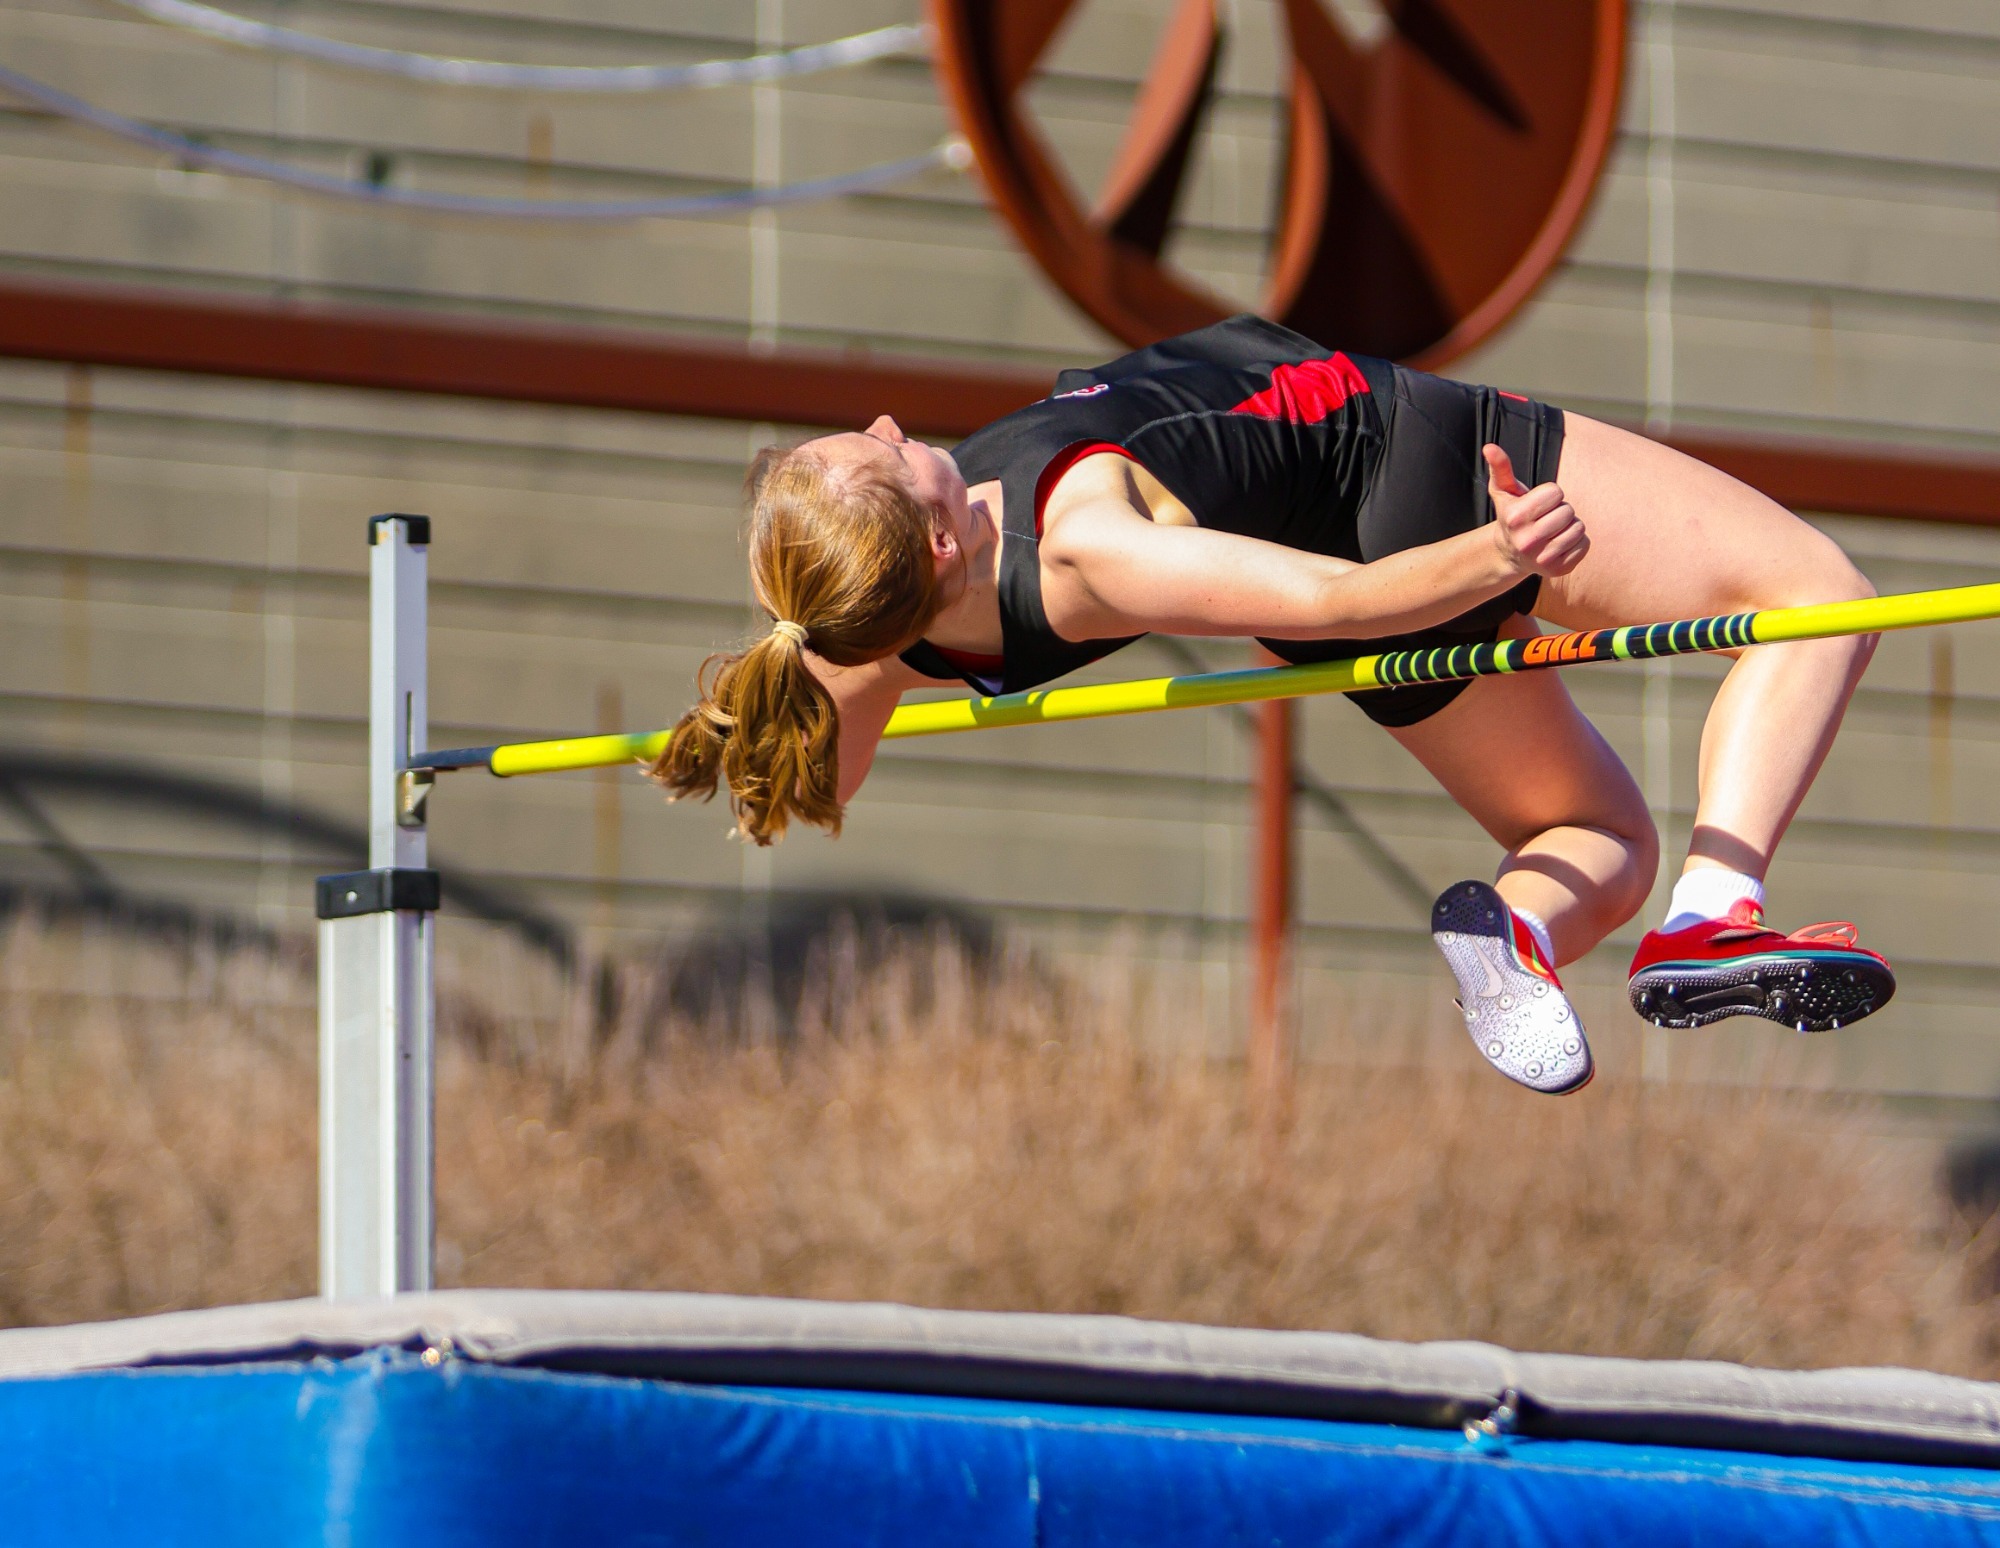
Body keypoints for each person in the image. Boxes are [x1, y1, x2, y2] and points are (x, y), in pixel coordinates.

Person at [657, 316, 1894, 1095]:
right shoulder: (1092, 540)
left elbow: (824, 774)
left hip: (1334, 543)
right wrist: (1506, 552)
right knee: (1813, 596)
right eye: (887, 448)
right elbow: (1349, 603)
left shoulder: (855, 631)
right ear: (936, 534)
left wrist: (738, 755)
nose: (891, 419)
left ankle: (1516, 933)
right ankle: (1711, 918)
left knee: (1594, 841)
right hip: (1408, 468)